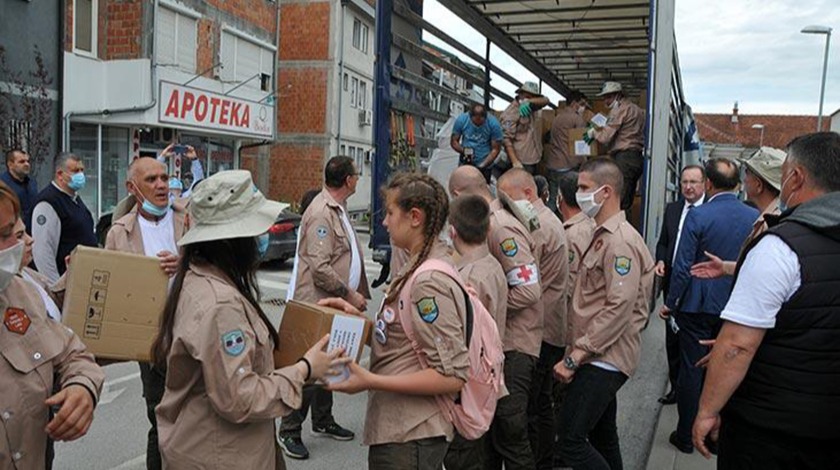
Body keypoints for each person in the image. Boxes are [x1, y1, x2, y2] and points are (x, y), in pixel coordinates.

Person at [151, 170, 348, 469]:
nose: (262, 238)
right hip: (220, 453)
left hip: (213, 446)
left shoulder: (199, 277)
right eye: (256, 230)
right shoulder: (220, 304)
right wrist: (305, 369)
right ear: (233, 240)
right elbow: (239, 398)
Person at [693, 132, 840, 468]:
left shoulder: (782, 245)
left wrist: (707, 411)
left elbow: (737, 346)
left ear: (796, 177)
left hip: (770, 432)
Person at [327, 172, 469, 470]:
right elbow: (403, 338)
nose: (384, 222)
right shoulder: (416, 265)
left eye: (390, 213)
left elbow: (452, 374)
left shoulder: (428, 281)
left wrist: (371, 380)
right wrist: (360, 322)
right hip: (400, 430)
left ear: (414, 217)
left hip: (411, 435)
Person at [553, 157, 654, 470]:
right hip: (597, 355)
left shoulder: (620, 242)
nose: (579, 194)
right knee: (603, 437)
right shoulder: (603, 235)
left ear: (606, 192)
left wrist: (576, 356)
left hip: (603, 358)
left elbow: (618, 307)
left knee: (570, 441)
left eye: (584, 188)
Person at [0, 182, 105, 469]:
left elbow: (73, 353)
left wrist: (82, 388)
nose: (19, 243)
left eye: (16, 231)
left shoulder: (20, 291)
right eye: (4, 235)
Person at [661, 158, 759, 454]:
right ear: (738, 184)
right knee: (728, 365)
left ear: (709, 185)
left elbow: (682, 267)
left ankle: (686, 437)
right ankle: (719, 437)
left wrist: (670, 303)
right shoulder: (754, 215)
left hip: (696, 304)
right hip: (734, 304)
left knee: (692, 369)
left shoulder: (699, 215)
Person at [449, 165, 542, 470]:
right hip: (500, 344)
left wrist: (486, 315)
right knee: (491, 440)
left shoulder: (498, 226)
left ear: (459, 195)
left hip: (512, 344)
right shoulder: (495, 219)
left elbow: (528, 291)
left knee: (510, 436)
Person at [278, 156, 369, 459]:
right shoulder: (321, 212)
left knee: (331, 361)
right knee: (309, 368)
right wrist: (350, 295)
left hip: (335, 303)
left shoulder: (337, 209)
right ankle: (289, 430)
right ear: (348, 181)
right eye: (356, 174)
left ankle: (323, 420)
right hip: (320, 302)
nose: (358, 178)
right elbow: (320, 268)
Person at [104, 156, 186, 470]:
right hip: (150, 341)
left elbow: (214, 267)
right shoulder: (119, 233)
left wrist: (184, 262)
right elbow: (114, 289)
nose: (162, 185)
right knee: (161, 418)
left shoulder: (188, 218)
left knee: (196, 415)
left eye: (164, 178)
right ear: (132, 187)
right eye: (151, 180)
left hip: (192, 331)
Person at [498, 169, 569, 470]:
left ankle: (539, 462)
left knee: (526, 413)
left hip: (536, 331)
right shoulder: (550, 221)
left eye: (505, 199)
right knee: (540, 406)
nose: (501, 206)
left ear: (527, 194)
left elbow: (525, 285)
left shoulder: (535, 227)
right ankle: (543, 461)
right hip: (550, 326)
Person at [441, 194, 508, 470]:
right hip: (487, 381)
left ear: (452, 231)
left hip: (468, 387)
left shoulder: (467, 278)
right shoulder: (492, 265)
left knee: (462, 458)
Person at [653, 165, 706, 405]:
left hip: (696, 282)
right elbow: (663, 242)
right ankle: (676, 389)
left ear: (704, 184)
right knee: (672, 339)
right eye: (685, 182)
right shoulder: (673, 209)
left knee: (691, 341)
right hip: (672, 280)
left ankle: (692, 392)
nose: (688, 186)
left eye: (694, 182)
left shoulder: (708, 212)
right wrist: (661, 260)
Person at [690, 147, 785, 279]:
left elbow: (766, 276)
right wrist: (725, 267)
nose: (744, 180)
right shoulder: (768, 219)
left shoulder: (774, 223)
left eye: (747, 173)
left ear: (758, 185)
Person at [554, 170, 595, 467]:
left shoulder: (570, 234)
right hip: (590, 328)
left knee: (567, 409)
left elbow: (568, 288)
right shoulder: (593, 226)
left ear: (559, 199)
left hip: (575, 328)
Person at [31, 152, 97, 283]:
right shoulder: (48, 202)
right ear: (60, 174)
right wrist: (54, 288)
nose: (80, 175)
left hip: (81, 279)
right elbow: (43, 252)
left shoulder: (74, 198)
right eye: (75, 171)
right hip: (64, 282)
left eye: (82, 170)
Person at [588, 82, 645, 212]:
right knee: (627, 201)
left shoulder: (620, 109)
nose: (605, 101)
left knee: (618, 202)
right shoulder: (637, 110)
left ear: (618, 95)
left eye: (608, 97)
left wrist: (593, 132)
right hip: (636, 157)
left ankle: (618, 230)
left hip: (624, 158)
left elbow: (605, 137)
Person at [546, 92, 589, 214]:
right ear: (574, 103)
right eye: (582, 104)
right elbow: (582, 145)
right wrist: (586, 163)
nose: (584, 108)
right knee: (569, 201)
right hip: (567, 166)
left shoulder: (557, 118)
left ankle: (545, 224)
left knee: (553, 199)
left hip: (553, 165)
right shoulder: (577, 119)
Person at [499, 82, 550, 174]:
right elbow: (506, 139)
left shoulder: (532, 107)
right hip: (521, 160)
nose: (530, 99)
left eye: (533, 97)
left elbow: (546, 100)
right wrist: (515, 161)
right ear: (520, 94)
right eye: (527, 96)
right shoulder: (511, 112)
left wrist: (529, 102)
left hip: (535, 158)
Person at [451, 103, 505, 183]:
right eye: (475, 122)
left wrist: (482, 165)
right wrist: (465, 150)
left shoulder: (494, 124)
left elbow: (496, 149)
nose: (478, 124)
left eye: (481, 122)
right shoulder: (462, 120)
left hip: (485, 161)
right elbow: (454, 142)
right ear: (470, 116)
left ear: (485, 117)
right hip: (466, 160)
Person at [1, 149, 39, 232]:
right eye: (21, 162)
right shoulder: (3, 185)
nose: (27, 164)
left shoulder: (32, 183)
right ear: (10, 164)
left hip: (33, 232)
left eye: (28, 161)